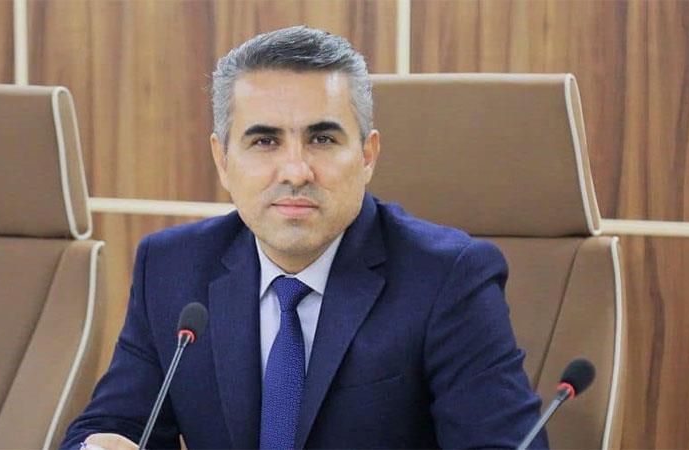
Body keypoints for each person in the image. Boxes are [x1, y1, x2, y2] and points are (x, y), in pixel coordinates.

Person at [62, 26, 548, 450]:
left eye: (322, 139)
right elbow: (116, 424)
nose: (295, 171)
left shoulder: (447, 278)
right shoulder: (173, 268)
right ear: (222, 160)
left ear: (367, 155)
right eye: (264, 141)